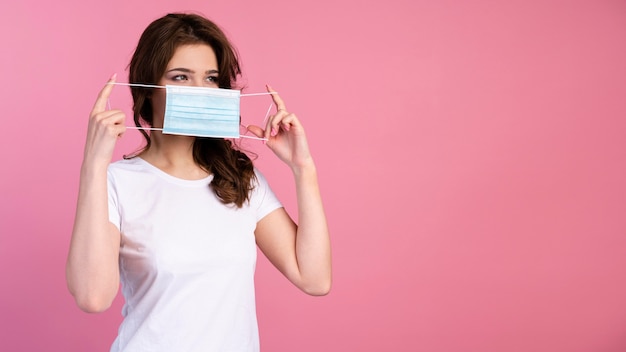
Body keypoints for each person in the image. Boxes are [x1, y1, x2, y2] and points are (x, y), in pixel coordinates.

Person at [65, 13, 331, 352]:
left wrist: (303, 168)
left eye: (210, 79)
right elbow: (92, 296)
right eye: (180, 77)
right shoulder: (116, 182)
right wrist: (94, 164)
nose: (200, 92)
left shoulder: (240, 179)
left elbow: (315, 278)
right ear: (148, 91)